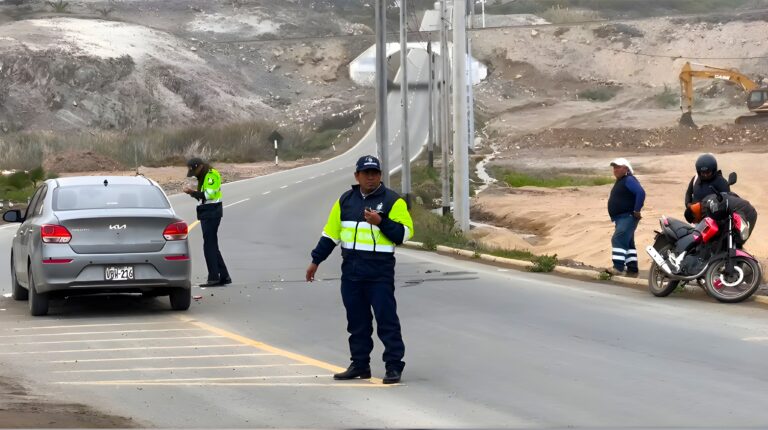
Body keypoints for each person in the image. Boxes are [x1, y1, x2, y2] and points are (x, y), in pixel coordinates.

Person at [306, 155, 413, 385]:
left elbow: (403, 234)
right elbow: (330, 235)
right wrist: (316, 260)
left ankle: (394, 366)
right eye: (366, 173)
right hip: (352, 272)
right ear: (357, 176)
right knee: (357, 322)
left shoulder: (393, 201)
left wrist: (381, 222)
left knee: (387, 320)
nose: (371, 177)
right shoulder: (346, 200)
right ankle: (360, 364)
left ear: (380, 175)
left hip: (379, 273)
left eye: (375, 173)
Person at [183, 157, 231, 287]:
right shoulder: (203, 176)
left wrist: (193, 193)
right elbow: (203, 197)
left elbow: (209, 195)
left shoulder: (211, 175)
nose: (194, 175)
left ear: (200, 167)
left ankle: (213, 277)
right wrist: (193, 193)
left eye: (195, 171)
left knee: (208, 245)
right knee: (212, 244)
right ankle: (224, 275)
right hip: (206, 211)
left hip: (212, 212)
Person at [606, 158, 646, 277]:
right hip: (621, 217)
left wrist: (637, 210)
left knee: (618, 239)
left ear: (626, 168)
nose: (615, 170)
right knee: (628, 243)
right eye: (614, 168)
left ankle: (618, 267)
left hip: (627, 216)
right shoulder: (622, 180)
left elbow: (641, 193)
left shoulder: (629, 179)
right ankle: (632, 268)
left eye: (618, 167)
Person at [684, 153, 730, 223]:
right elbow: (688, 193)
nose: (705, 175)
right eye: (703, 173)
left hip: (713, 222)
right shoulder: (696, 178)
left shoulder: (721, 182)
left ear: (713, 170)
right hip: (696, 220)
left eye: (708, 173)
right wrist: (688, 204)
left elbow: (727, 203)